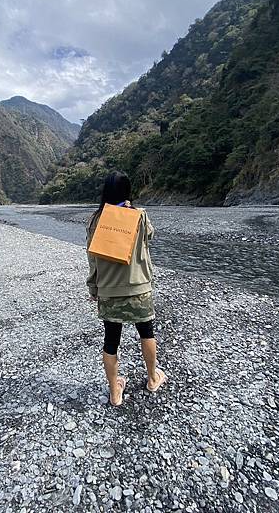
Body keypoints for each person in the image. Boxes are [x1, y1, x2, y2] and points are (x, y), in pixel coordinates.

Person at [86, 171, 167, 406]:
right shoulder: (139, 216)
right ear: (127, 191)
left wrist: (93, 287)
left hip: (109, 290)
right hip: (138, 288)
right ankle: (152, 378)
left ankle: (115, 392)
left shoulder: (95, 220)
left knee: (111, 340)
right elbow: (149, 236)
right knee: (147, 332)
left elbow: (92, 258)